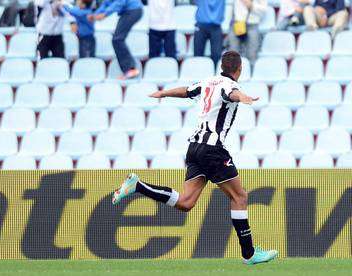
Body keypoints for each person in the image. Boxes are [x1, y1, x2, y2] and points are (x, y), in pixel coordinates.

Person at [112, 50, 278, 265]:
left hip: (194, 148)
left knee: (186, 202)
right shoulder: (231, 86)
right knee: (240, 197)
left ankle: (138, 186)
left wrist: (163, 93)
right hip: (212, 150)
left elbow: (186, 91)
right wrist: (243, 97)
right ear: (239, 70)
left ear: (222, 66)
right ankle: (249, 253)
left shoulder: (208, 82)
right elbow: (232, 94)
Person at [91, 0, 143, 80]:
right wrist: (94, 15)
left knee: (117, 39)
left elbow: (120, 2)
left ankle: (131, 69)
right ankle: (130, 69)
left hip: (133, 10)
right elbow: (106, 4)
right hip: (129, 11)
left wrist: (105, 14)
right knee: (117, 39)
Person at [229, 0, 267, 65]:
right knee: (233, 55)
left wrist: (251, 5)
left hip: (252, 25)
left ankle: (251, 73)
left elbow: (263, 10)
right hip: (237, 24)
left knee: (252, 55)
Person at [194, 0, 225, 66]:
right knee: (197, 56)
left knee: (216, 56)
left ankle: (216, 75)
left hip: (216, 27)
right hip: (201, 25)